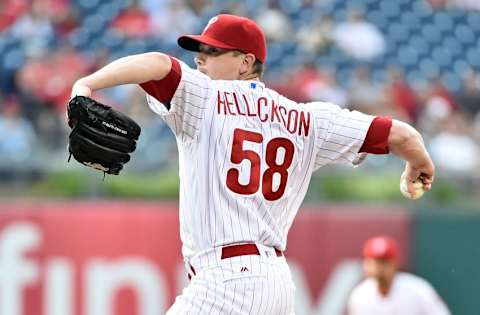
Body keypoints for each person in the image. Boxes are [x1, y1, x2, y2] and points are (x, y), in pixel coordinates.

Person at [70, 14, 435, 314]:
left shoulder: (206, 96)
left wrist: (87, 84)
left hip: (227, 279)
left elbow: (156, 64)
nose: (200, 59)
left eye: (212, 52)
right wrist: (416, 167)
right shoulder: (309, 119)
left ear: (246, 63)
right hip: (276, 285)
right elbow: (403, 136)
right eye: (200, 51)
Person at [347, 236, 451, 315]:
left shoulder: (418, 289)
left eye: (383, 262)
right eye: (373, 262)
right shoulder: (360, 296)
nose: (377, 267)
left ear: (394, 264)